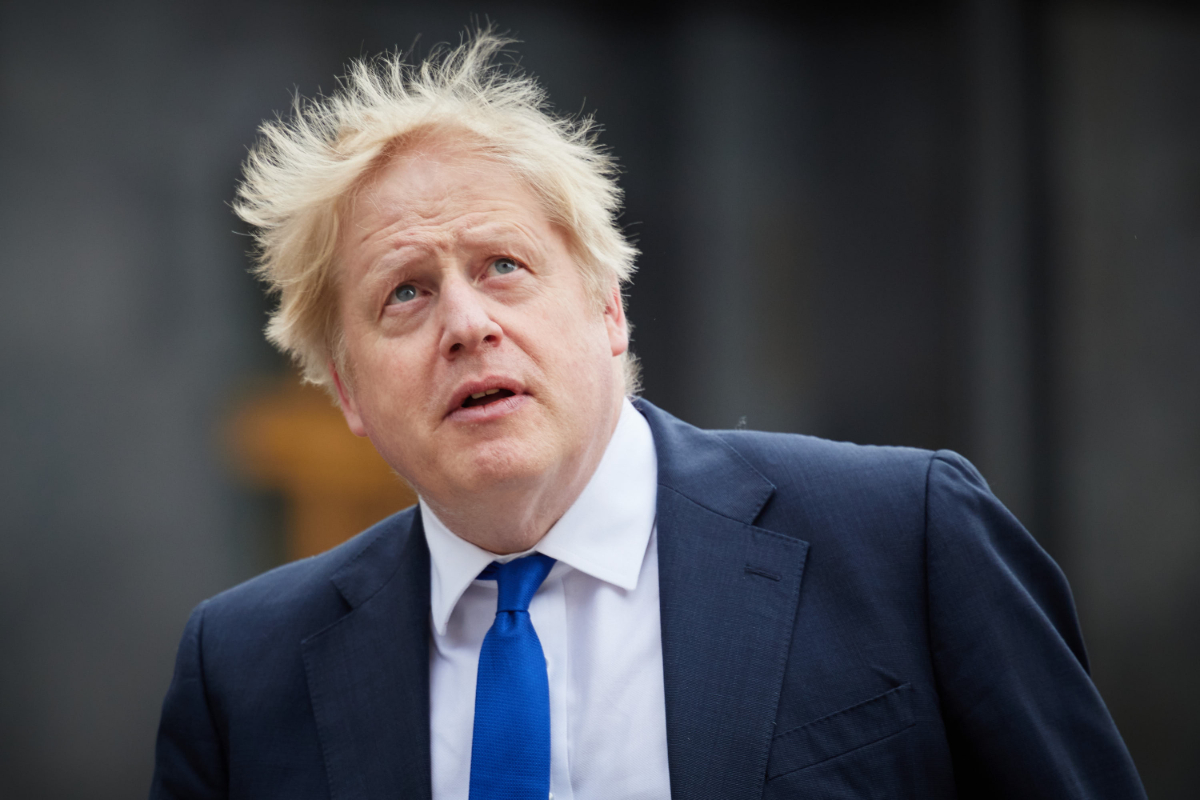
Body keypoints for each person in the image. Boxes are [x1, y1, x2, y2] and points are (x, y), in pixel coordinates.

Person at [150, 32, 1145, 800]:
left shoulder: (903, 539)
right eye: (404, 293)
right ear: (347, 391)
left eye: (504, 265)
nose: (466, 323)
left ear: (608, 309)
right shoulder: (242, 673)